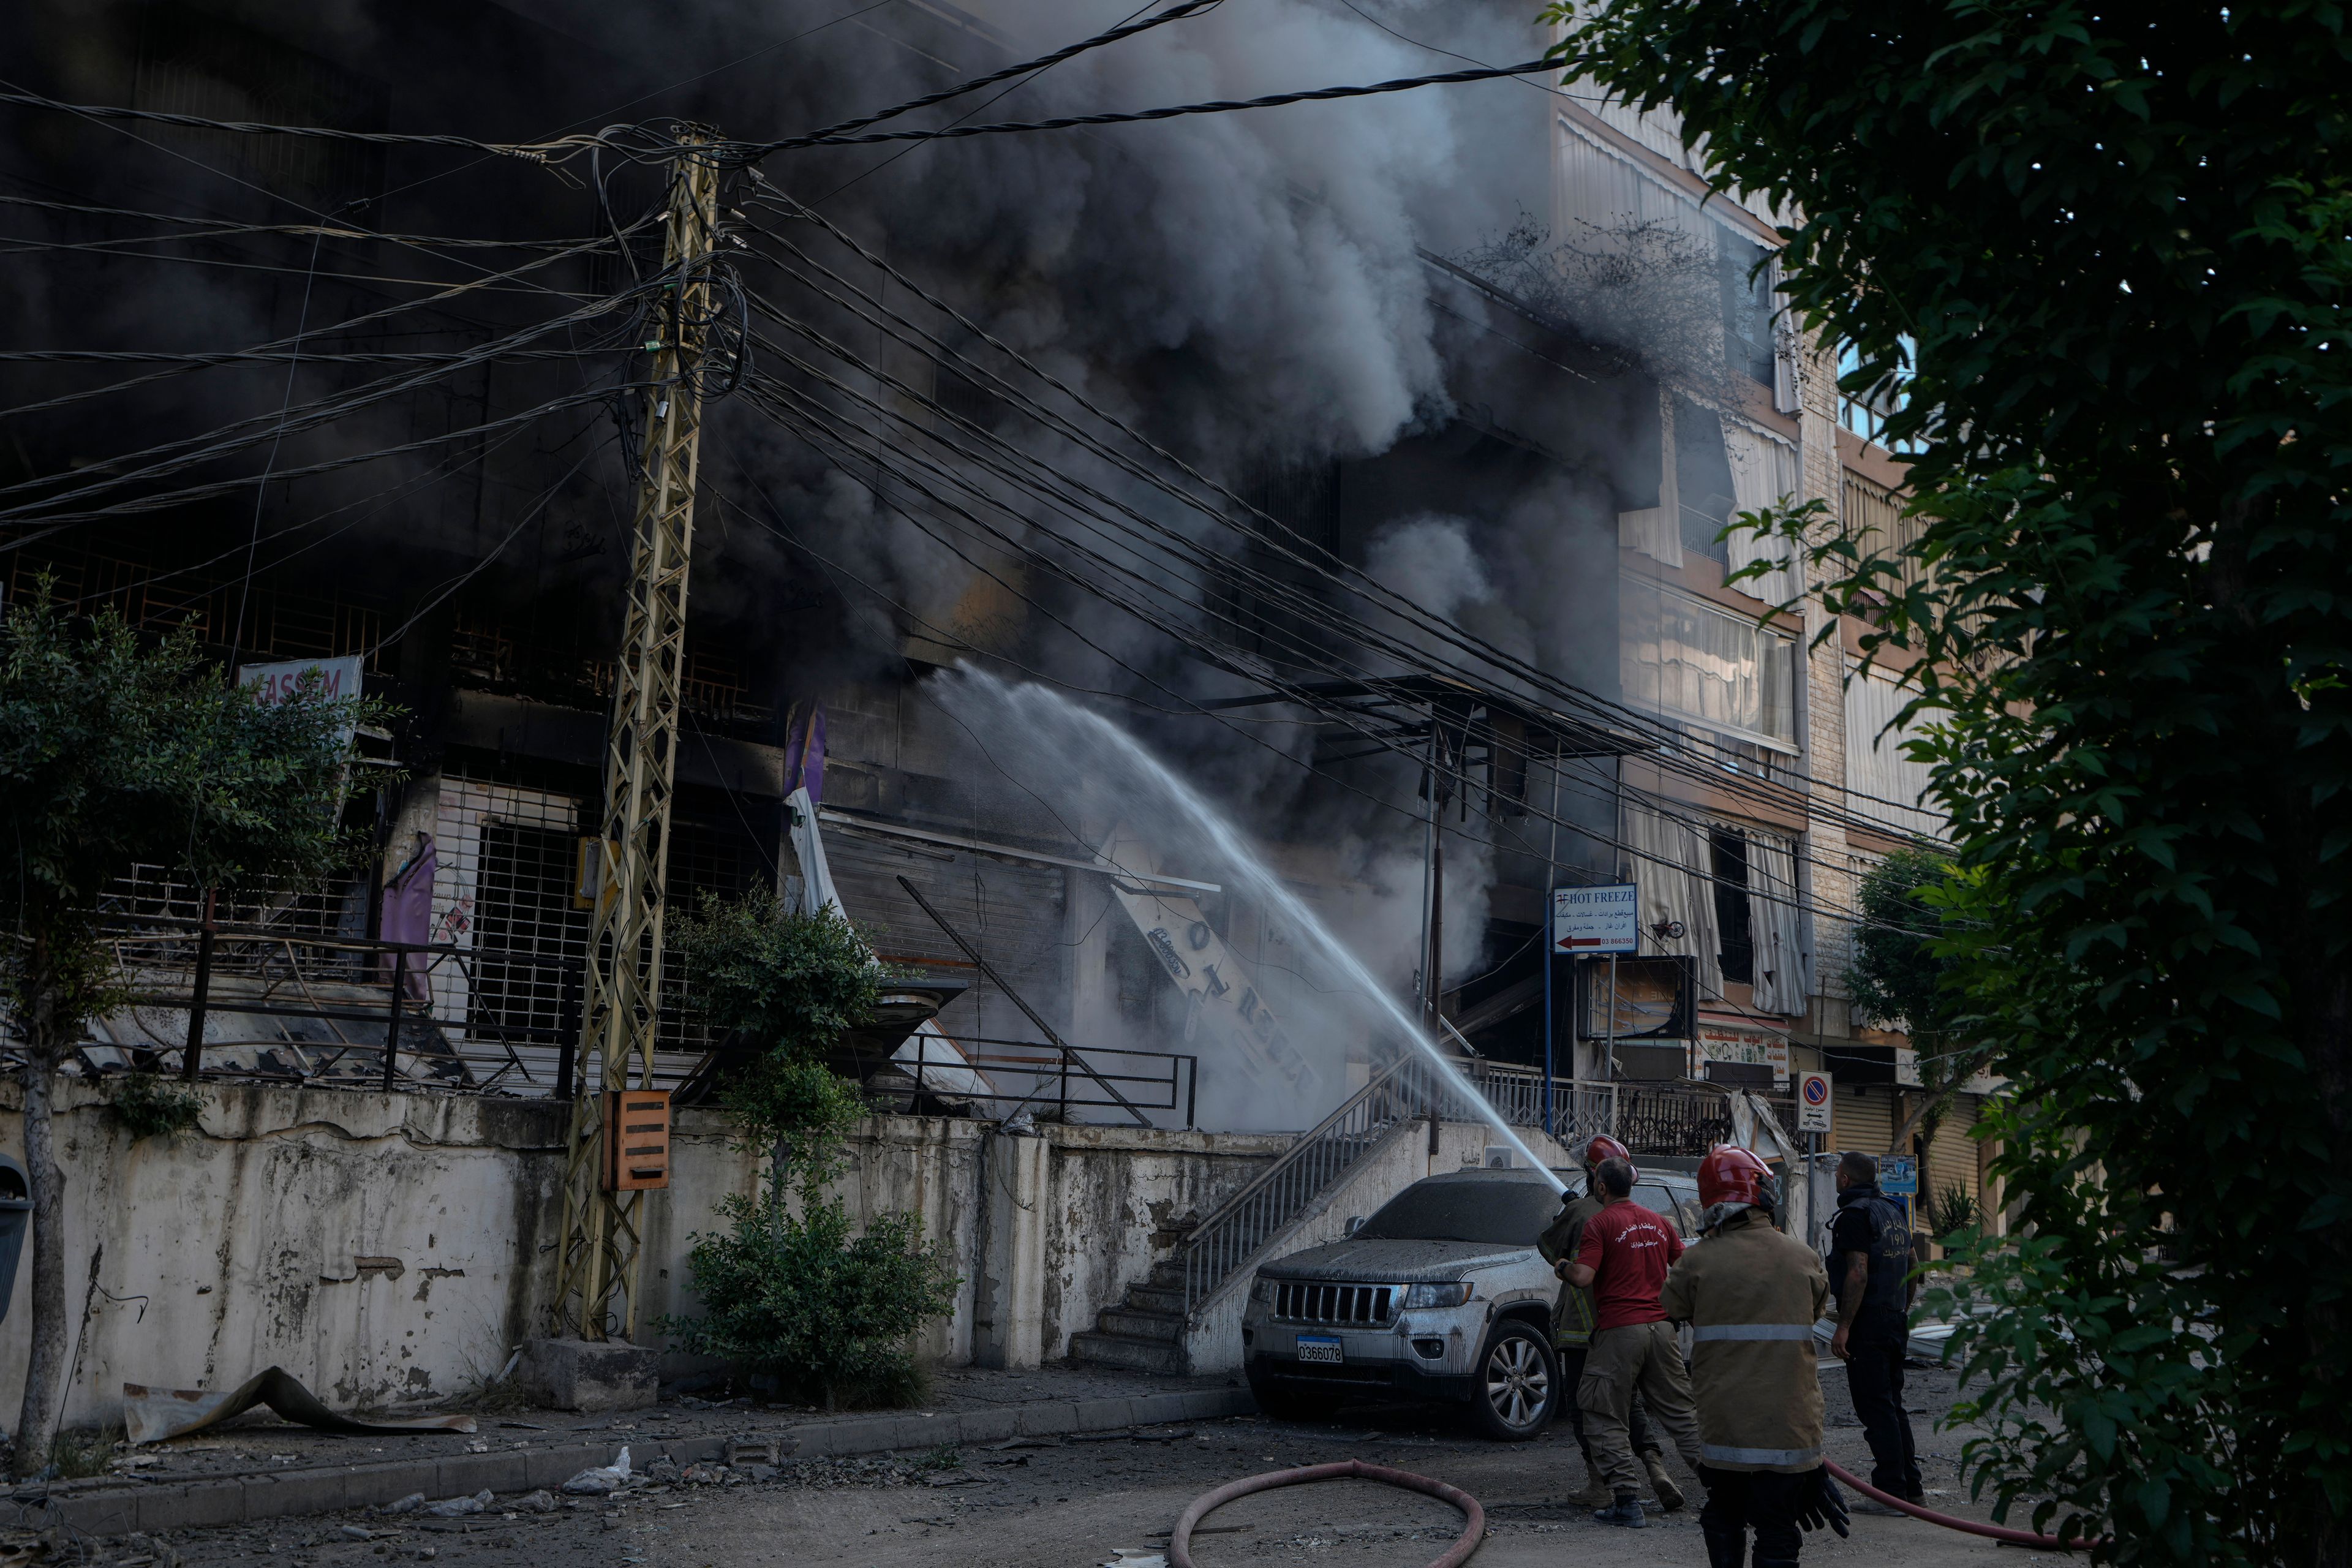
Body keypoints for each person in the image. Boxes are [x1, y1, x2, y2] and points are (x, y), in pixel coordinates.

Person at [1664, 1145, 1849, 1568]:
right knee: (1778, 1527)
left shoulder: (1696, 1262)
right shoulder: (1802, 1256)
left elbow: (1671, 1306)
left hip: (1724, 1429)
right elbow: (1816, 1309)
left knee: (1724, 1514)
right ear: (1758, 1192)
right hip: (1787, 1430)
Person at [1562, 1155, 1710, 1528]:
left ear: (1600, 1187)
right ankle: (1723, 1493)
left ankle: (1627, 1502)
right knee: (1682, 1414)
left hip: (1619, 1333)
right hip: (1661, 1330)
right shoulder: (1661, 1222)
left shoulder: (1600, 1223)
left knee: (1603, 1413)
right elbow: (1686, 1269)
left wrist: (1562, 1265)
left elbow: (1583, 1277)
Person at [1537, 1136, 1680, 1510]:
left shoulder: (1585, 1213)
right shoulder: (1648, 1218)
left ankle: (1603, 1486)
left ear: (1594, 1178)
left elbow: (1549, 1249)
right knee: (1629, 1406)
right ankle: (1657, 1469)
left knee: (1588, 1409)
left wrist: (1567, 1214)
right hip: (1636, 1329)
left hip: (1585, 1331)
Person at [1828, 1150, 1926, 1502]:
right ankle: (1910, 1488)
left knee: (1876, 1406)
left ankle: (1890, 1490)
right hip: (1894, 1317)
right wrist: (1902, 1308)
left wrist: (1844, 1327)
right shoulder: (1893, 1210)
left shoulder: (1854, 1216)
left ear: (1845, 1180)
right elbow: (1914, 1265)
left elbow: (1857, 1272)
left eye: (1837, 1174)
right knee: (1892, 1404)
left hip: (1869, 1323)